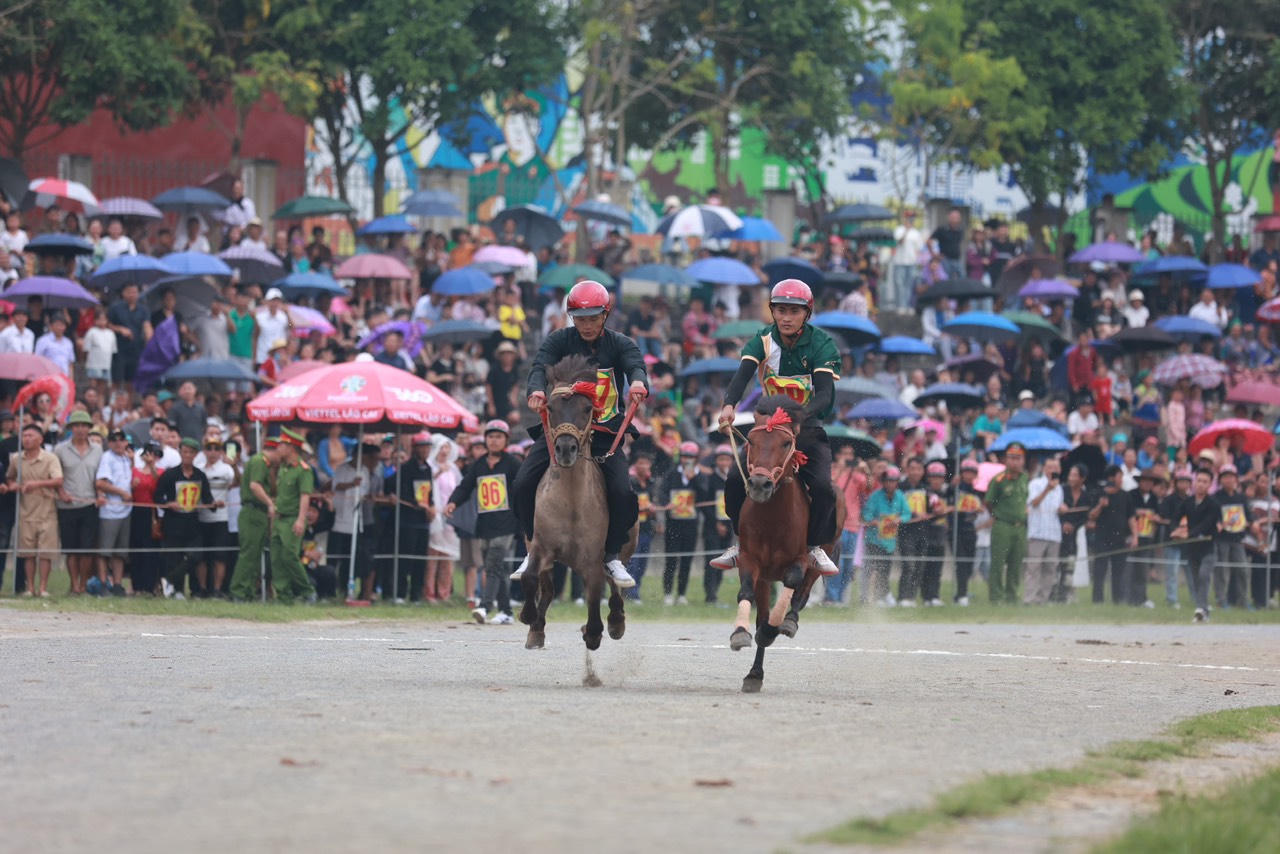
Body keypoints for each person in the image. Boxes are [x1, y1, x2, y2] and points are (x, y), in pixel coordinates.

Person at [509, 280, 646, 588]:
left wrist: (638, 383)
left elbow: (636, 366)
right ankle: (531, 549)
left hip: (604, 432)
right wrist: (534, 391)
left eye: (593, 318)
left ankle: (612, 556)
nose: (586, 325)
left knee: (623, 491)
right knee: (521, 482)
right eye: (580, 318)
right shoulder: (558, 340)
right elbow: (537, 367)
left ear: (605, 315)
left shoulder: (621, 344)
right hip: (561, 431)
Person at [710, 279, 840, 577]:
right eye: (780, 310)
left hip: (806, 429)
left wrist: (799, 418)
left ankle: (814, 547)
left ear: (806, 313)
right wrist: (729, 404)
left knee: (823, 488)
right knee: (733, 479)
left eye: (793, 311)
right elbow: (742, 376)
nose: (785, 317)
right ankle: (739, 544)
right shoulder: (763, 340)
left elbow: (824, 395)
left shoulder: (822, 344)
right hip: (768, 432)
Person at [447, 420, 522, 624]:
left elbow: (524, 489)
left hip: (507, 523)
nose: (494, 441)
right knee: (497, 569)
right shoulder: (478, 465)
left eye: (498, 437)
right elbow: (465, 486)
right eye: (490, 436)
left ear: (506, 440)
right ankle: (506, 611)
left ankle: (484, 606)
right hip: (484, 524)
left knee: (493, 564)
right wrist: (453, 502)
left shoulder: (513, 464)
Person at [3, 423, 63, 597]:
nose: (26, 439)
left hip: (47, 512)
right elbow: (10, 478)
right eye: (24, 436)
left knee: (45, 554)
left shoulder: (50, 458)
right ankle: (30, 588)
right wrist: (14, 486)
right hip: (25, 512)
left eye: (30, 436)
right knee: (28, 553)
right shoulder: (16, 459)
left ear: (40, 439)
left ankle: (43, 588)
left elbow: (58, 480)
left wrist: (37, 484)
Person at [153, 437, 216, 599]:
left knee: (195, 556)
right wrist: (169, 503)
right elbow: (158, 497)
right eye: (185, 452)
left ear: (196, 455)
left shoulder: (200, 475)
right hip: (173, 522)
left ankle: (175, 582)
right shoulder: (170, 475)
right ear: (180, 453)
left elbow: (207, 499)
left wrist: (215, 504)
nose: (187, 455)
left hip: (192, 522)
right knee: (174, 556)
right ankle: (177, 590)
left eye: (191, 452)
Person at [54, 410, 103, 595]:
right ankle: (74, 585)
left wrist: (99, 494)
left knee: (87, 549)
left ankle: (83, 585)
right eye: (77, 426)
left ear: (89, 429)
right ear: (71, 428)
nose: (81, 429)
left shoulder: (97, 449)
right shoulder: (60, 449)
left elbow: (100, 476)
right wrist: (61, 492)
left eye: (84, 426)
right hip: (67, 505)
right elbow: (55, 475)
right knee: (71, 548)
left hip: (90, 504)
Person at [228, 436, 279, 601]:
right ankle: (239, 591)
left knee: (255, 554)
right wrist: (270, 503)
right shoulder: (260, 461)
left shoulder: (261, 462)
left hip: (257, 512)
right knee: (249, 554)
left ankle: (247, 590)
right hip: (253, 512)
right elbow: (254, 486)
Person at [269, 429, 316, 604]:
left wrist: (300, 520)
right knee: (276, 558)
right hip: (279, 518)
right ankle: (283, 595)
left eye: (282, 444)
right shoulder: (283, 468)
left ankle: (307, 590)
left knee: (289, 556)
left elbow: (305, 496)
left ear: (291, 447)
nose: (278, 447)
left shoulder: (303, 470)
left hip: (292, 519)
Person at [391, 432, 435, 603]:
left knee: (420, 560)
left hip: (423, 521)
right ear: (415, 448)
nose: (425, 450)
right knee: (405, 558)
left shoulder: (429, 469)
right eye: (422, 447)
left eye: (427, 447)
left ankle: (415, 594)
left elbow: (428, 493)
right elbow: (402, 493)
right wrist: (419, 504)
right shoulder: (406, 468)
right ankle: (401, 593)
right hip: (408, 520)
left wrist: (430, 506)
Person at [659, 441, 704, 606]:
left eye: (691, 457)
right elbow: (662, 492)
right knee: (671, 560)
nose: (688, 460)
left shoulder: (700, 475)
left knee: (686, 560)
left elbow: (704, 493)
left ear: (696, 458)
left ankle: (682, 594)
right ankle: (668, 593)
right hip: (673, 524)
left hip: (691, 525)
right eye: (685, 456)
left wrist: (695, 479)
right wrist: (666, 503)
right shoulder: (671, 474)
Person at [984, 442, 1028, 604]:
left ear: (1023, 460)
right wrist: (997, 515)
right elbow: (989, 502)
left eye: (1018, 458)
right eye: (1011, 458)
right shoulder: (999, 480)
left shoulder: (1025, 478)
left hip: (1020, 527)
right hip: (1002, 525)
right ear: (1005, 460)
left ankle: (1012, 597)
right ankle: (996, 598)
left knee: (1016, 565)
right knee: (998, 563)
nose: (1015, 462)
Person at [1086, 464, 1137, 604]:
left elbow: (1131, 517)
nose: (1121, 480)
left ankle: (1118, 599)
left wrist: (1135, 536)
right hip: (1102, 538)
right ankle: (1097, 600)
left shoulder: (1125, 496)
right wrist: (1100, 505)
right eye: (1119, 476)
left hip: (1119, 538)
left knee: (1118, 571)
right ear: (1111, 478)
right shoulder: (1098, 493)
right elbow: (1091, 516)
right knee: (1099, 570)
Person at [1174, 469, 1220, 622]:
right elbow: (1176, 518)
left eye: (1204, 481)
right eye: (1199, 480)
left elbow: (1207, 524)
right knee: (1195, 580)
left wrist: (1189, 533)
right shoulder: (1187, 502)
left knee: (1204, 575)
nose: (1200, 484)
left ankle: (1200, 608)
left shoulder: (1213, 504)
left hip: (1208, 547)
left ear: (1210, 485)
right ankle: (1204, 610)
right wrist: (1175, 531)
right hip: (1192, 548)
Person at [861, 466, 910, 605]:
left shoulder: (900, 496)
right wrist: (874, 521)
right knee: (873, 569)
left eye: (893, 481)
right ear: (883, 482)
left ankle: (882, 595)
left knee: (885, 569)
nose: (890, 483)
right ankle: (871, 597)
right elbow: (867, 514)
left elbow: (907, 513)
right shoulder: (875, 496)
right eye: (888, 480)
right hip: (874, 540)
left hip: (889, 541)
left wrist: (898, 520)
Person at [93, 429, 133, 596]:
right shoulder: (107, 457)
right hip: (110, 511)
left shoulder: (127, 458)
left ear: (126, 442)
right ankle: (103, 584)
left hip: (125, 511)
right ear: (109, 443)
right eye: (114, 440)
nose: (118, 443)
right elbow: (100, 483)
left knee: (120, 552)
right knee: (104, 551)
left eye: (121, 440)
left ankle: (117, 584)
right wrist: (122, 493)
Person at [197, 438, 237, 598]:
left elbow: (235, 483)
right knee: (202, 557)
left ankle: (217, 589)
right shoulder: (199, 469)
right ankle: (202, 588)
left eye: (216, 449)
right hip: (201, 517)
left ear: (220, 451)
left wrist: (233, 463)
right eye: (209, 448)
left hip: (221, 517)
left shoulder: (226, 469)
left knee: (220, 556)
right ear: (205, 451)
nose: (212, 452)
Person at [1024, 457, 1063, 605]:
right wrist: (1047, 489)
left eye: (1056, 467)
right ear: (1044, 469)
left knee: (1050, 569)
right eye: (1050, 467)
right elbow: (1033, 503)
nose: (1053, 470)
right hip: (1037, 532)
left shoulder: (1059, 488)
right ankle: (1029, 599)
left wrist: (1062, 509)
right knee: (1033, 568)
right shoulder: (1035, 484)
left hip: (1054, 533)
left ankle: (1042, 599)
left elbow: (1055, 508)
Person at [1212, 464, 1249, 609]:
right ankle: (1221, 601)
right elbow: (1212, 518)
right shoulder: (1215, 498)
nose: (1228, 480)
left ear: (1236, 479)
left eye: (1231, 477)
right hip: (1222, 539)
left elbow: (1248, 515)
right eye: (1225, 477)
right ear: (1220, 480)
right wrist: (1218, 523)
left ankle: (1243, 601)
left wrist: (1251, 523)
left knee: (1243, 570)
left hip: (1238, 539)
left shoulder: (1241, 497)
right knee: (1221, 571)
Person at [627, 452, 658, 603]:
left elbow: (655, 502)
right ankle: (631, 593)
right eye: (641, 463)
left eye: (646, 463)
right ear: (635, 465)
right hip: (633, 527)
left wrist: (657, 519)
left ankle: (636, 589)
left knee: (643, 562)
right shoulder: (630, 482)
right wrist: (643, 507)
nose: (644, 466)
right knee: (633, 561)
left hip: (647, 528)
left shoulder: (651, 483)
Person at [952, 459, 983, 606]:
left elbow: (981, 508)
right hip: (957, 530)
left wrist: (979, 510)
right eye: (966, 472)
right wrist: (953, 486)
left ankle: (961, 593)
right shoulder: (957, 487)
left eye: (972, 473)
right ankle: (962, 594)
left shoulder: (977, 491)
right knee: (961, 563)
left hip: (971, 530)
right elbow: (950, 502)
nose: (969, 475)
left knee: (970, 564)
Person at [1128, 469, 1162, 607]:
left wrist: (1156, 518)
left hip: (1147, 538)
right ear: (1140, 482)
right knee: (1130, 569)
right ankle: (1129, 598)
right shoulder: (1131, 495)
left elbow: (1158, 516)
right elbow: (1127, 512)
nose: (1147, 484)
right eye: (1145, 481)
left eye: (1150, 482)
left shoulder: (1154, 498)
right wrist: (1137, 512)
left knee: (1143, 570)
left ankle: (1141, 598)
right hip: (1133, 537)